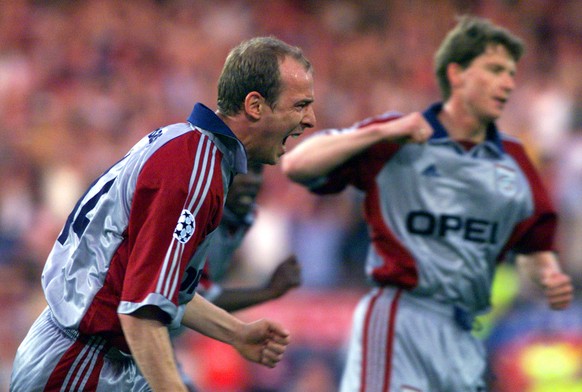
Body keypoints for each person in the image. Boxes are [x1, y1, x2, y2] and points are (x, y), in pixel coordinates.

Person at [282, 15, 573, 392]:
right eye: (495, 71)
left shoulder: (514, 160)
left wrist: (547, 274)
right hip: (403, 320)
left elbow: (535, 248)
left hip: (466, 333)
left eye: (510, 73)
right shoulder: (402, 136)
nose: (507, 83)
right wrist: (381, 132)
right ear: (457, 75)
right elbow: (297, 165)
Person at [11, 36, 315, 391]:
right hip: (82, 363)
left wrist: (236, 333)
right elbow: (140, 310)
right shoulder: (193, 170)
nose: (310, 119)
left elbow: (162, 287)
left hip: (99, 355)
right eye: (300, 105)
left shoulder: (190, 148)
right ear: (255, 106)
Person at [175, 164, 302, 391]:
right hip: (137, 336)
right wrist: (266, 292)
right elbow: (185, 295)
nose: (251, 181)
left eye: (257, 172)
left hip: (169, 337)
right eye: (243, 173)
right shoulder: (195, 214)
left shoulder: (244, 217)